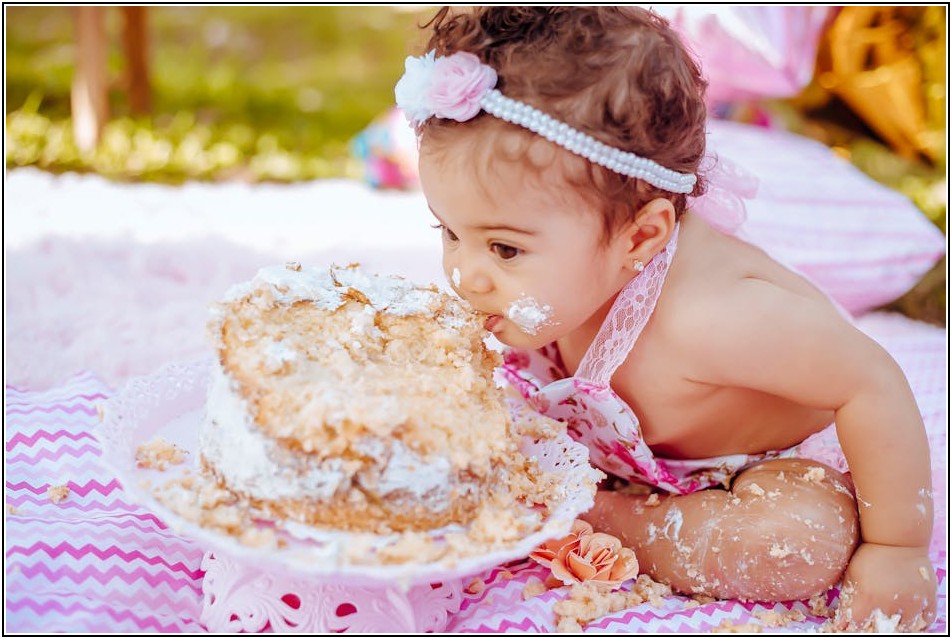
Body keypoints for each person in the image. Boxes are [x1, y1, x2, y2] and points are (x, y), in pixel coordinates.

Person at [394, 6, 936, 632]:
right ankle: (573, 489)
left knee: (794, 542)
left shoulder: (717, 316)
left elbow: (871, 380)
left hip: (760, 467)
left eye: (504, 248)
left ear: (641, 237)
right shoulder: (552, 282)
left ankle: (605, 515)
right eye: (449, 232)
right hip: (628, 451)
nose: (466, 273)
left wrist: (896, 549)